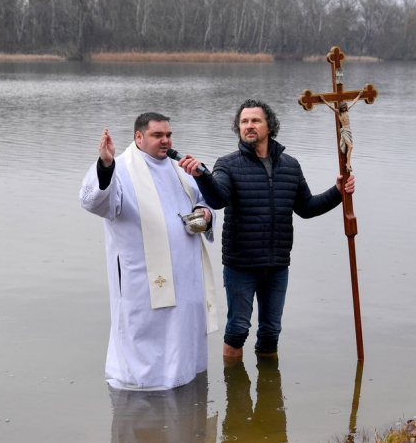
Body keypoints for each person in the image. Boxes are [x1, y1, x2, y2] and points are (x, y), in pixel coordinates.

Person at [178, 99, 355, 358]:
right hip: (241, 264)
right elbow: (219, 199)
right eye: (244, 122)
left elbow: (306, 207)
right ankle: (236, 392)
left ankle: (268, 392)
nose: (249, 126)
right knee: (237, 330)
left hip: (277, 264)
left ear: (269, 126)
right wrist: (202, 175)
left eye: (255, 121)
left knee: (271, 332)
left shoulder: (290, 165)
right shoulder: (228, 164)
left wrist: (338, 192)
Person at [79, 112, 218, 390]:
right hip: (142, 280)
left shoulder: (180, 169)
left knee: (183, 340)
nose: (165, 141)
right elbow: (95, 203)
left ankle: (183, 383)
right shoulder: (120, 169)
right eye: (158, 135)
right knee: (145, 345)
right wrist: (105, 164)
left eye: (168, 135)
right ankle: (142, 399)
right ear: (139, 137)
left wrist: (204, 214)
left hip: (186, 276)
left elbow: (204, 201)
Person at [320, 94, 362, 172]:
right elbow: (330, 106)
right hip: (345, 131)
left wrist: (359, 96)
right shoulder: (338, 112)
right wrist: (324, 100)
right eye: (342, 108)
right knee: (351, 146)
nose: (343, 109)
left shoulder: (347, 109)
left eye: (344, 108)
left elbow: (354, 102)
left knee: (350, 147)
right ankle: (348, 164)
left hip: (349, 130)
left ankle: (348, 164)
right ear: (340, 108)